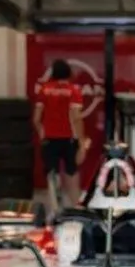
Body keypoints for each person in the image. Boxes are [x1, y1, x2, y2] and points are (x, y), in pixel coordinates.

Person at [33, 58, 86, 212]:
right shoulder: (74, 91)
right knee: (72, 174)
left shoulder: (44, 90)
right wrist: (82, 142)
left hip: (49, 139)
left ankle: (55, 211)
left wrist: (42, 133)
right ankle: (76, 209)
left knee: (52, 175)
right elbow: (76, 118)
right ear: (68, 73)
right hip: (69, 139)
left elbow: (36, 119)